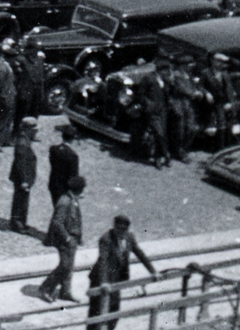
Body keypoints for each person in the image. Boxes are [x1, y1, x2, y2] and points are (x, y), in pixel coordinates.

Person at [89, 214, 158, 330]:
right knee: (96, 313)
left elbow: (140, 254)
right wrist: (104, 282)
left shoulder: (129, 237)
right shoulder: (106, 239)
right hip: (100, 279)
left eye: (124, 230)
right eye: (119, 229)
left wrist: (153, 271)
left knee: (114, 311)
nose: (121, 232)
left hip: (116, 280)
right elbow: (103, 261)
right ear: (114, 227)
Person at [39, 175, 85, 303]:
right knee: (65, 266)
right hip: (65, 240)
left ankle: (65, 291)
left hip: (72, 239)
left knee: (69, 266)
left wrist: (78, 237)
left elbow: (76, 219)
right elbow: (57, 223)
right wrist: (67, 238)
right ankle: (46, 288)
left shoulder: (73, 199)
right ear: (79, 189)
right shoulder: (65, 202)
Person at [163, 59, 201, 162]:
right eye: (188, 64)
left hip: (188, 104)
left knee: (191, 128)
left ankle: (183, 149)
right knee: (180, 129)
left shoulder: (188, 75)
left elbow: (194, 86)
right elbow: (182, 89)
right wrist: (194, 94)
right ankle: (179, 151)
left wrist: (198, 91)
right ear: (181, 65)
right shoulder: (176, 75)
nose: (190, 66)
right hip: (178, 103)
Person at [9, 117, 39, 234]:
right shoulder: (23, 143)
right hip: (22, 178)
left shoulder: (24, 139)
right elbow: (20, 163)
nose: (36, 132)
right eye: (34, 130)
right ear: (28, 129)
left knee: (22, 200)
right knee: (20, 200)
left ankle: (20, 221)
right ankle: (17, 223)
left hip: (23, 177)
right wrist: (24, 180)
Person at [139, 62, 170, 168]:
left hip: (162, 111)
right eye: (165, 70)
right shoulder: (148, 78)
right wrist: (148, 104)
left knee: (161, 134)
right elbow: (140, 94)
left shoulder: (165, 81)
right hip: (152, 111)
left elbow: (167, 95)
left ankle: (158, 158)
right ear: (159, 70)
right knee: (159, 133)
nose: (167, 73)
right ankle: (166, 154)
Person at [0, 42, 18, 149]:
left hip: (11, 95)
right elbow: (0, 83)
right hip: (5, 96)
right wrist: (0, 96)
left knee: (8, 119)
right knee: (3, 120)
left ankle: (5, 140)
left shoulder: (8, 67)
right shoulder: (3, 68)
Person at [48, 124, 80, 206]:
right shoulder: (73, 156)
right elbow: (73, 176)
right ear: (72, 139)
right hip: (64, 188)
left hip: (53, 183)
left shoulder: (53, 150)